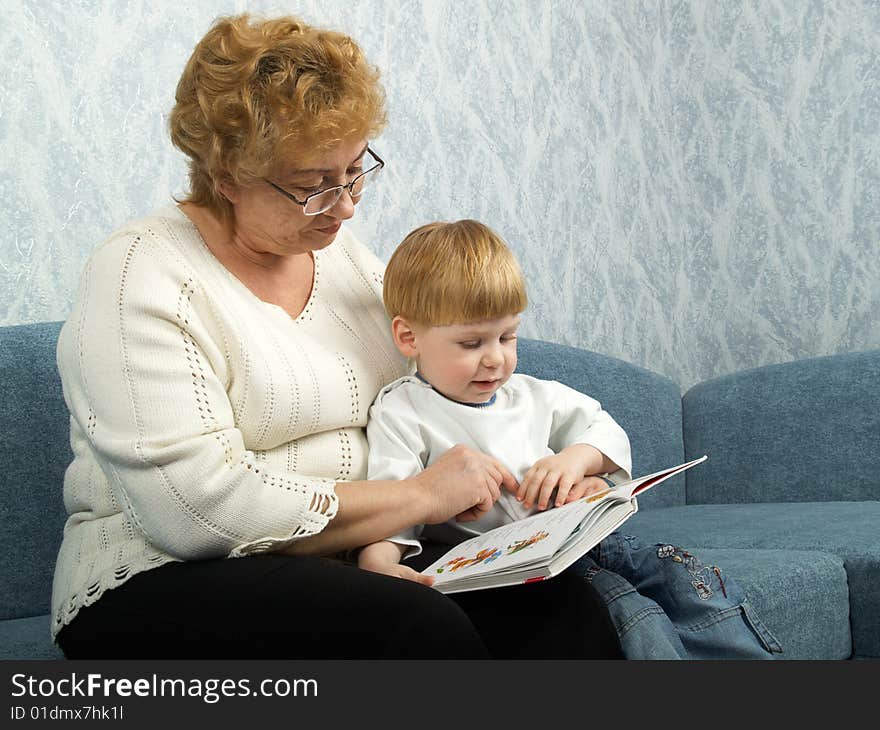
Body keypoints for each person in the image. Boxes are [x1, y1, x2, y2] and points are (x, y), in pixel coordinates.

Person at [51, 13, 623, 659]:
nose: (347, 206)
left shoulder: (346, 258)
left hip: (353, 558)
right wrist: (415, 496)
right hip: (161, 578)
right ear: (227, 175)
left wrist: (547, 481)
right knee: (412, 625)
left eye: (355, 171)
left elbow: (440, 400)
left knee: (560, 602)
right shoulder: (139, 276)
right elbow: (194, 514)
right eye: (311, 187)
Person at [358, 219, 783, 660]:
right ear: (409, 337)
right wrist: (379, 562)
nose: (496, 359)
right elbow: (394, 499)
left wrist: (577, 462)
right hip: (523, 566)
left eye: (507, 336)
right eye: (471, 343)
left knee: (693, 587)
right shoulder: (402, 410)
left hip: (592, 538)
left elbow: (604, 430)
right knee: (631, 616)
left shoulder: (532, 394)